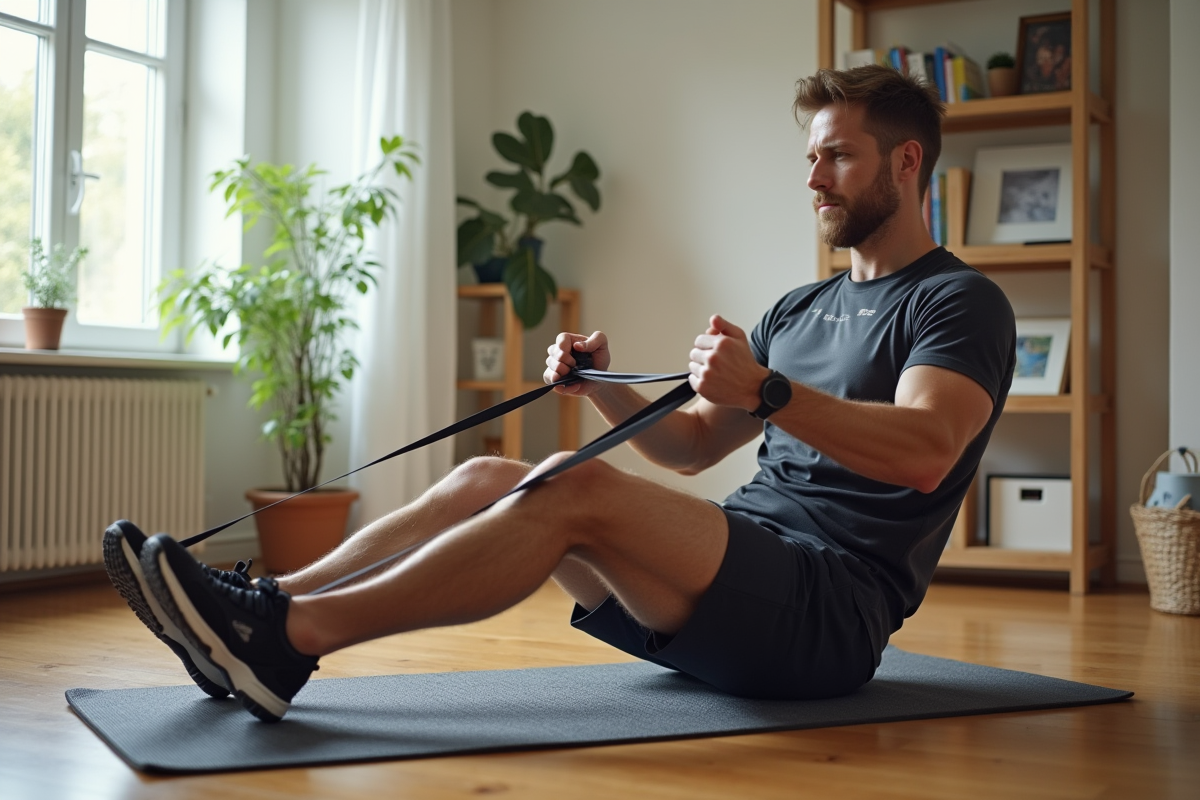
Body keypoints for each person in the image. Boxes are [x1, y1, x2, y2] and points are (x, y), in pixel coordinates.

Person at [116, 64, 1015, 723]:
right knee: (484, 479)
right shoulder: (802, 306)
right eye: (811, 158)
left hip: (827, 611)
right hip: (749, 574)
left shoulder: (956, 301)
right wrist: (601, 392)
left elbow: (928, 452)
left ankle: (290, 640)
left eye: (838, 158)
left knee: (569, 489)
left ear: (906, 163)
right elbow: (693, 445)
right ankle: (260, 607)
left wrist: (772, 390)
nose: (814, 179)